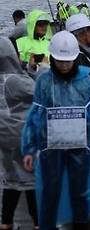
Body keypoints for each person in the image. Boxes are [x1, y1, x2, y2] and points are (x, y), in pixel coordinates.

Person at [21, 31, 90, 230]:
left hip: (82, 150)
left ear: (75, 59)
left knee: (83, 193)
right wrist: (29, 148)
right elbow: (35, 115)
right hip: (51, 151)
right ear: (53, 58)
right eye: (60, 61)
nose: (64, 65)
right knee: (50, 192)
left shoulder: (87, 82)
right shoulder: (44, 83)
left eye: (68, 61)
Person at [0, 37, 38, 229]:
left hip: (5, 145)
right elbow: (40, 92)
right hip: (24, 140)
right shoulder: (16, 80)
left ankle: (6, 222)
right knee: (31, 183)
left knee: (11, 182)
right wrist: (34, 71)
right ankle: (38, 222)